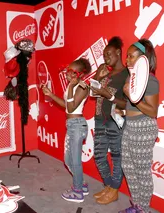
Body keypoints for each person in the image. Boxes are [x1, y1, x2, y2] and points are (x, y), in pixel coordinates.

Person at [118, 39, 159, 213]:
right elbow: (132, 106)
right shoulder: (131, 77)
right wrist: (122, 111)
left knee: (142, 172)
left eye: (131, 56)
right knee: (127, 166)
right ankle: (137, 204)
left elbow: (152, 111)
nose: (127, 60)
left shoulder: (151, 80)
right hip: (130, 125)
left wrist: (131, 96)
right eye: (127, 56)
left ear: (143, 58)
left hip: (144, 127)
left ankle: (144, 208)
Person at [42, 58, 91, 203]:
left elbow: (71, 107)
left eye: (71, 72)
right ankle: (81, 184)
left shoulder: (83, 87)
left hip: (77, 125)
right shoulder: (73, 86)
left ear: (80, 74)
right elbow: (66, 105)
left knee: (75, 160)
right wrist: (51, 95)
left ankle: (77, 192)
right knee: (68, 160)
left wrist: (70, 86)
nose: (67, 75)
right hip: (72, 124)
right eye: (67, 71)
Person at [90, 36, 129, 204]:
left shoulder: (127, 73)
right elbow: (93, 93)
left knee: (116, 156)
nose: (106, 58)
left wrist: (110, 96)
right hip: (99, 118)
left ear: (118, 52)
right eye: (104, 55)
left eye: (109, 54)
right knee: (98, 155)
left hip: (115, 120)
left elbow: (129, 103)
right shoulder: (105, 71)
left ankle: (113, 190)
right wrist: (98, 76)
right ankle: (109, 186)